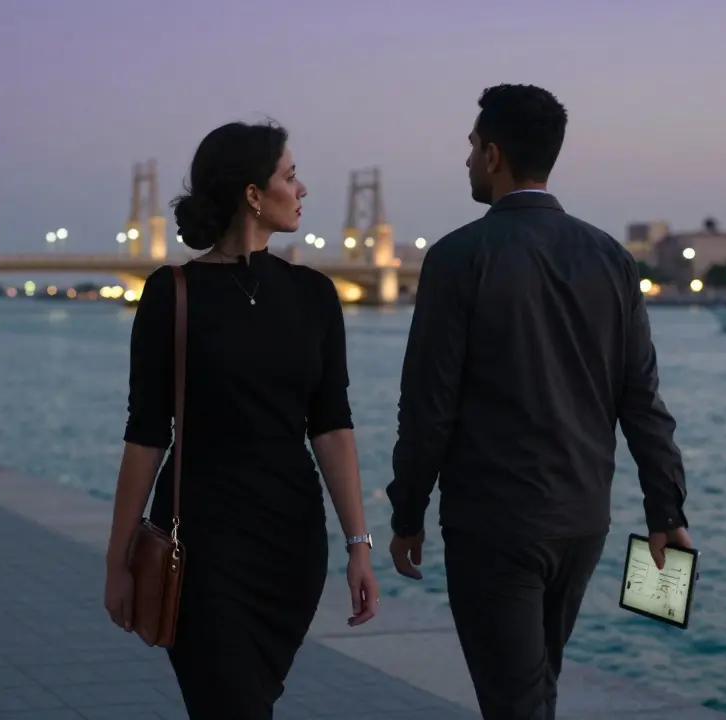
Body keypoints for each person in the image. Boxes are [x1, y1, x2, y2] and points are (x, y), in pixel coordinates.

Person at [385, 84, 693, 720]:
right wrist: (667, 509)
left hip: (494, 523)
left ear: (494, 155)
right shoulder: (611, 257)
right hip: (582, 520)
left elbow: (427, 407)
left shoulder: (456, 258)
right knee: (533, 689)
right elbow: (643, 401)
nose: (467, 160)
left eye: (472, 147)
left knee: (515, 701)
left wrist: (407, 512)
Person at [102, 120, 380, 719]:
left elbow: (331, 426)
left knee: (250, 702)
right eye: (289, 175)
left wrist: (359, 545)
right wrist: (117, 560)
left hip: (291, 545)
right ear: (254, 194)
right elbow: (146, 435)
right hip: (200, 546)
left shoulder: (314, 295)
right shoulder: (171, 293)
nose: (302, 188)